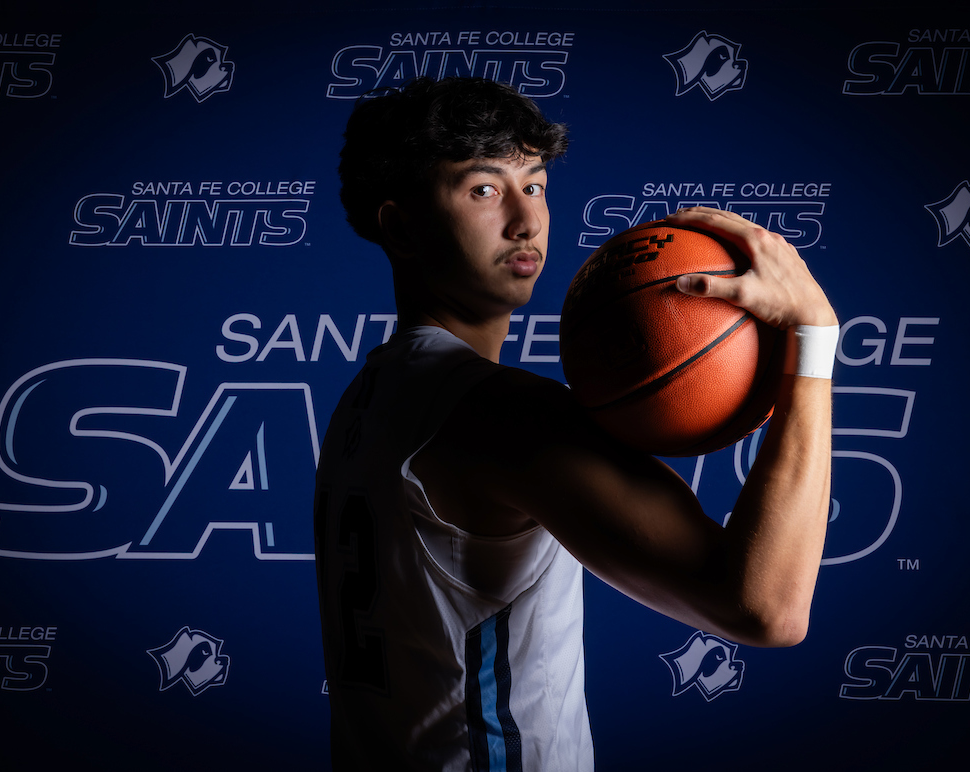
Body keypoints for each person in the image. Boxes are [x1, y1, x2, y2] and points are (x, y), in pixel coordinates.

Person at [314, 76, 838, 771]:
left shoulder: (369, 393)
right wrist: (812, 339)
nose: (524, 220)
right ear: (400, 226)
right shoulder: (497, 415)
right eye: (483, 189)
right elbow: (767, 608)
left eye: (533, 185)